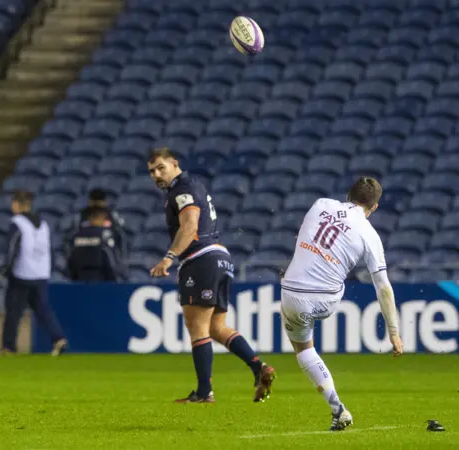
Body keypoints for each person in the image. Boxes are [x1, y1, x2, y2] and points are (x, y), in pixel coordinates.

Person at [147, 147, 276, 404]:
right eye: (152, 171)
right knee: (216, 328)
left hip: (200, 259)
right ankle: (258, 367)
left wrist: (169, 257)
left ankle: (205, 392)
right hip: (219, 257)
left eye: (161, 168)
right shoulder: (190, 185)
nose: (156, 175)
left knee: (197, 327)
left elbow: (190, 225)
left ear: (175, 163)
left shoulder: (182, 188)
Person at [280, 177, 403, 431]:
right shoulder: (370, 235)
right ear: (375, 207)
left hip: (291, 292)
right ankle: (339, 411)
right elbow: (383, 287)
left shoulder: (320, 203)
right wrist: (394, 332)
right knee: (343, 274)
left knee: (303, 350)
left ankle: (337, 407)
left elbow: (303, 236)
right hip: (326, 298)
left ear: (349, 194)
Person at [0, 190, 67, 356]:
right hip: (41, 273)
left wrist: (6, 269)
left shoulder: (17, 223)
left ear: (17, 204)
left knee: (14, 311)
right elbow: (49, 249)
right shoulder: (43, 224)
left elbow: (12, 247)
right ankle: (58, 338)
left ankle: (8, 347)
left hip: (22, 273)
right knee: (43, 309)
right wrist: (48, 269)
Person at [63, 188, 127, 261]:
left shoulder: (112, 216)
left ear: (104, 202)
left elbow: (121, 239)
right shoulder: (80, 217)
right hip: (84, 258)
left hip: (106, 259)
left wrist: (120, 260)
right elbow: (68, 239)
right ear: (90, 202)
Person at [67, 206, 126, 282]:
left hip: (79, 280)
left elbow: (70, 262)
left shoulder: (76, 235)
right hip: (100, 279)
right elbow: (110, 262)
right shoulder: (105, 235)